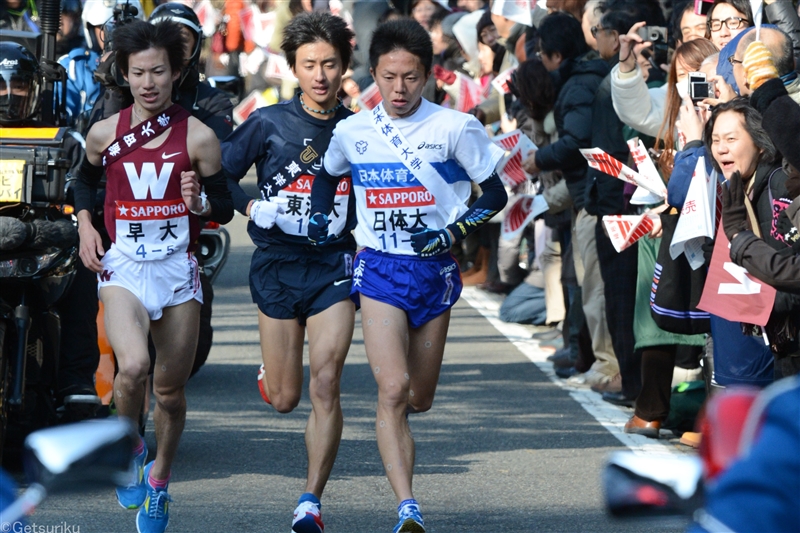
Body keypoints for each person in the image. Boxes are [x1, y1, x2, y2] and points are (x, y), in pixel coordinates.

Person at [308, 18, 507, 533]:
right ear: (373, 73)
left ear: (429, 76)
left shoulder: (456, 128)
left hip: (435, 272)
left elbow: (497, 194)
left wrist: (454, 231)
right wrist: (319, 216)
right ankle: (408, 508)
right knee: (392, 389)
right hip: (378, 269)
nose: (399, 89)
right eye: (389, 77)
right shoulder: (353, 131)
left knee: (419, 397)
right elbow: (328, 177)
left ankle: (406, 489)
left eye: (411, 77)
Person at [71, 19, 233, 533]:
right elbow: (83, 179)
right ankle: (130, 449)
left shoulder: (200, 136)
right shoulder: (105, 132)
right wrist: (85, 226)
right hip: (124, 268)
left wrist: (199, 202)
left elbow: (226, 207)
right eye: (138, 72)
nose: (148, 83)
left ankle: (159, 480)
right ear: (124, 73)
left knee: (169, 391)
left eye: (158, 72)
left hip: (176, 271)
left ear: (176, 72)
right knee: (133, 367)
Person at [221, 12, 356, 533]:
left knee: (326, 382)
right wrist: (252, 209)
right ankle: (270, 377)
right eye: (309, 65)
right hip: (276, 265)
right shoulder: (267, 123)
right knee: (285, 399)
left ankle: (310, 502)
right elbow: (221, 178)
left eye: (329, 64)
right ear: (294, 68)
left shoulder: (358, 129)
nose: (320, 75)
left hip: (333, 267)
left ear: (344, 67)